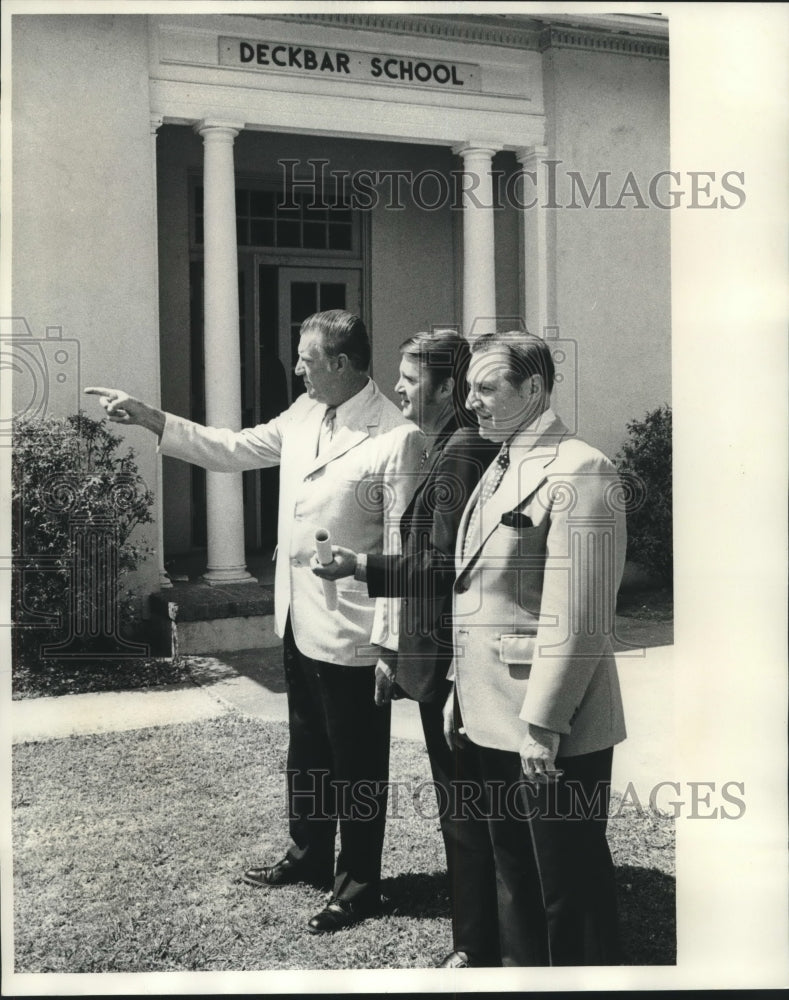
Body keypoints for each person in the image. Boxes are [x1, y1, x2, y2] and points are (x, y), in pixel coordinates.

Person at [85, 310, 425, 934]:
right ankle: (308, 856)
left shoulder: (395, 437)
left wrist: (391, 646)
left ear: (343, 364)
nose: (296, 368)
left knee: (357, 765)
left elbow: (403, 551)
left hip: (354, 631)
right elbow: (234, 448)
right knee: (309, 753)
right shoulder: (303, 413)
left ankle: (358, 887)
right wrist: (150, 416)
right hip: (298, 618)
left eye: (307, 359)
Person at [311, 329, 499, 966]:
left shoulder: (459, 452)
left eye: (411, 380)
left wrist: (361, 566)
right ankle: (482, 937)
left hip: (451, 659)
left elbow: (441, 564)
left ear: (448, 389)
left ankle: (476, 947)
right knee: (465, 805)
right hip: (440, 656)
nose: (397, 388)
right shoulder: (448, 443)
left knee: (465, 811)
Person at [444, 330, 627, 967]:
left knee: (566, 890)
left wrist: (544, 725)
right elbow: (479, 586)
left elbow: (579, 616)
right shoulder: (500, 460)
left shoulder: (582, 467)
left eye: (487, 388)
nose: (472, 403)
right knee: (515, 877)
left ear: (534, 389)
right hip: (492, 713)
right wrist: (458, 689)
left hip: (550, 725)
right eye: (469, 389)